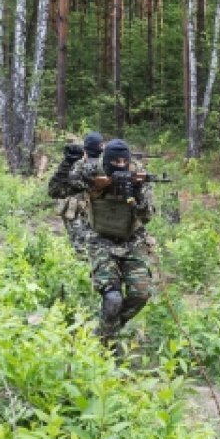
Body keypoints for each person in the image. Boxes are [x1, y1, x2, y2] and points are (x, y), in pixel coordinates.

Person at [49, 138, 155, 356]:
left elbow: (146, 216)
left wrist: (134, 193)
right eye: (113, 161)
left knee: (140, 294)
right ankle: (104, 349)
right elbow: (59, 189)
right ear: (105, 161)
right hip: (99, 237)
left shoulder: (138, 173)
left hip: (132, 238)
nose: (119, 165)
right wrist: (96, 183)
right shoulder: (88, 168)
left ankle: (106, 330)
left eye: (123, 161)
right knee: (113, 298)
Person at [52, 131, 103, 257]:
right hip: (79, 208)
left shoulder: (77, 163)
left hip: (79, 209)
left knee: (80, 242)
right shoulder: (96, 164)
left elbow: (57, 188)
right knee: (84, 244)